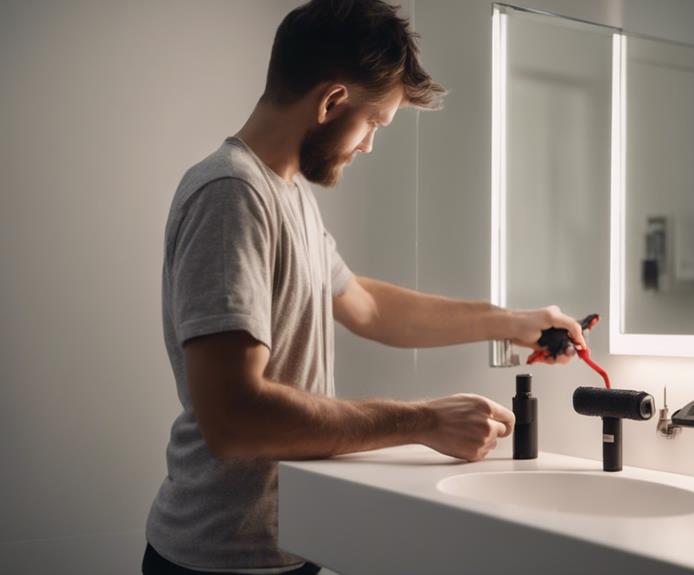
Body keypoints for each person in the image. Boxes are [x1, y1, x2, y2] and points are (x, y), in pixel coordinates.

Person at [142, 1, 587, 574]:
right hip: (218, 559)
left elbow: (369, 306)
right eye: (374, 123)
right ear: (331, 101)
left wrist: (510, 320)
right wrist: (423, 420)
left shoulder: (286, 195)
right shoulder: (232, 195)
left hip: (287, 545)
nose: (370, 144)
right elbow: (234, 417)